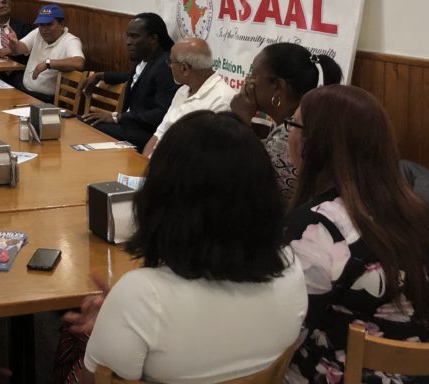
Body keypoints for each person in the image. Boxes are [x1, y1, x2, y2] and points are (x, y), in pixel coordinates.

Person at [70, 111, 307, 383]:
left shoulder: (143, 296)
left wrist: (115, 319)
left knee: (68, 343)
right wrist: (121, 315)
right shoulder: (291, 270)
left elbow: (90, 380)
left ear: (160, 197)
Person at [285, 85, 429, 383]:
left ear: (315, 144)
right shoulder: (411, 210)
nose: (287, 133)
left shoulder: (316, 227)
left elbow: (283, 335)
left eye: (293, 124)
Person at [230, 42, 342, 200]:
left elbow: (237, 179)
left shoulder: (288, 137)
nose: (247, 82)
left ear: (277, 86)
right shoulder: (308, 122)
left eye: (253, 75)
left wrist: (239, 120)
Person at [82, 12, 177, 152]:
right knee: (83, 122)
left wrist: (118, 117)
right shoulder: (144, 59)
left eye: (134, 36)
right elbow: (136, 78)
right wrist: (101, 76)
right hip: (129, 126)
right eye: (127, 36)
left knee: (87, 125)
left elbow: (162, 113)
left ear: (153, 38)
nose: (128, 42)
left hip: (145, 134)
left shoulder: (165, 66)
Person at [143, 37, 237, 158]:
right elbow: (159, 134)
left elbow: (204, 156)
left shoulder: (222, 101)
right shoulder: (182, 90)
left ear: (184, 68)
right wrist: (144, 161)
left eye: (170, 62)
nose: (169, 66)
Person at [9, 3, 85, 100]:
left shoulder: (70, 41)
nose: (44, 29)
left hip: (46, 99)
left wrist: (48, 63)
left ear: (61, 24)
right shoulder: (37, 32)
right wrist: (13, 44)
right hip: (25, 90)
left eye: (49, 24)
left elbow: (79, 63)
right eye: (41, 25)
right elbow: (18, 50)